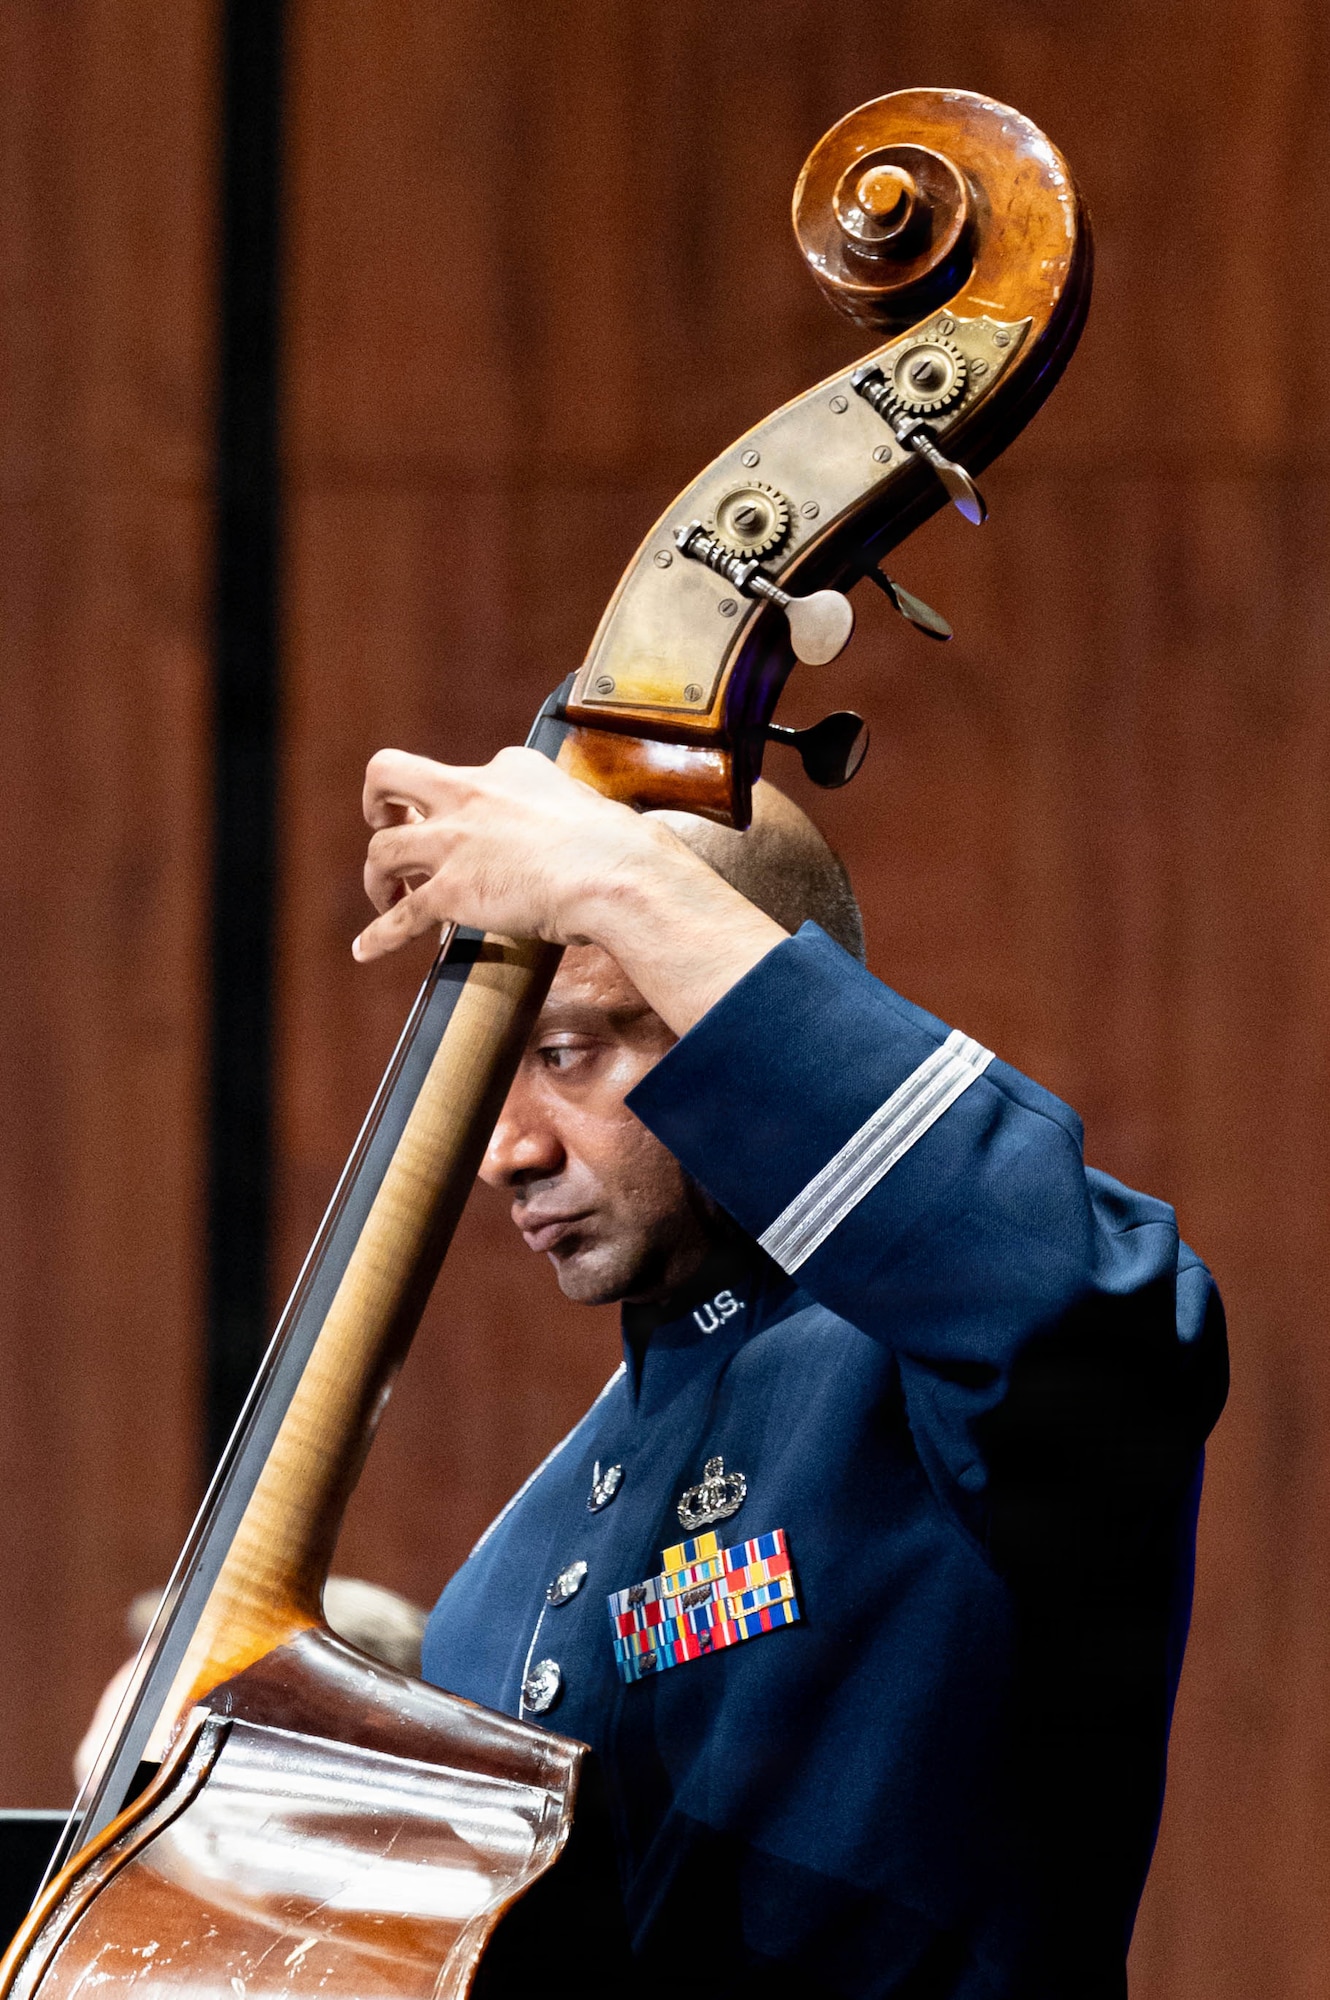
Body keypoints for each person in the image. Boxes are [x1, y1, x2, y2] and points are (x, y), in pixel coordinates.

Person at [352, 745, 1228, 1999]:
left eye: (570, 1050)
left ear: (744, 1006)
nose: (506, 1149)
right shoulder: (497, 1589)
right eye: (492, 1079)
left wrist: (620, 883)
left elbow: (1076, 1301)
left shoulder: (939, 1374)